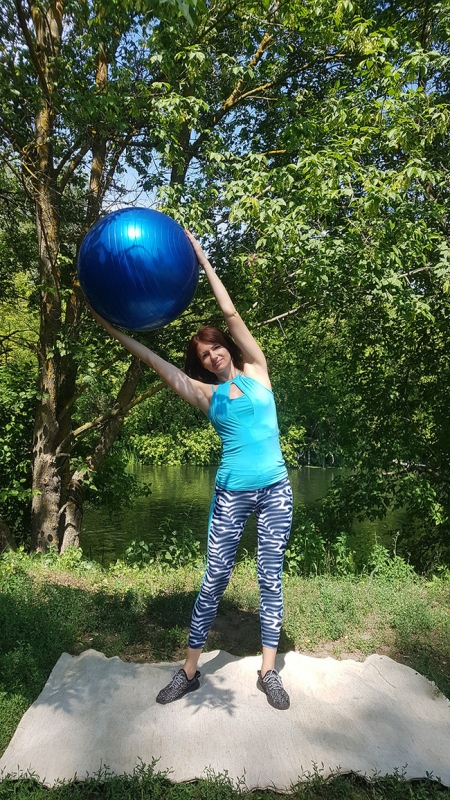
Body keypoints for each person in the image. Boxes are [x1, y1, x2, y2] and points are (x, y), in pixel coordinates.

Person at [88, 231, 293, 710]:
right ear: (200, 364)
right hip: (232, 494)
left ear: (227, 347)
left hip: (276, 490)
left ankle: (268, 672)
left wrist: (201, 258)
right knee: (214, 579)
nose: (213, 355)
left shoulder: (258, 369)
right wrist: (109, 325)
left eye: (216, 347)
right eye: (204, 355)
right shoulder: (205, 395)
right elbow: (152, 359)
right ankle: (189, 671)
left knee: (270, 577)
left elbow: (231, 313)